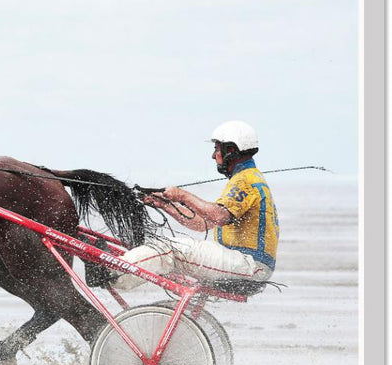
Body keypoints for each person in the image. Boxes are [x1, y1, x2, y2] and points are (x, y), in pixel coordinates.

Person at [111, 120, 279, 291]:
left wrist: (181, 195)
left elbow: (218, 216)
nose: (214, 156)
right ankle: (118, 272)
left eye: (216, 149)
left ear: (230, 150)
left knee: (169, 249)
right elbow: (202, 224)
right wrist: (164, 204)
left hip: (248, 265)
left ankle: (114, 275)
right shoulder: (245, 179)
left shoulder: (246, 180)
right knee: (171, 250)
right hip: (246, 263)